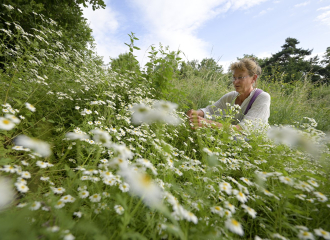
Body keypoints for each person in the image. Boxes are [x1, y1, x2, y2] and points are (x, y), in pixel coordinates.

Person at [186, 58, 270, 131]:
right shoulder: (231, 96)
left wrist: (208, 123)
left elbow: (243, 129)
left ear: (254, 78)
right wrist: (196, 113)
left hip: (257, 145)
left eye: (240, 77)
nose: (235, 82)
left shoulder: (262, 97)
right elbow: (210, 111)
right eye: (234, 77)